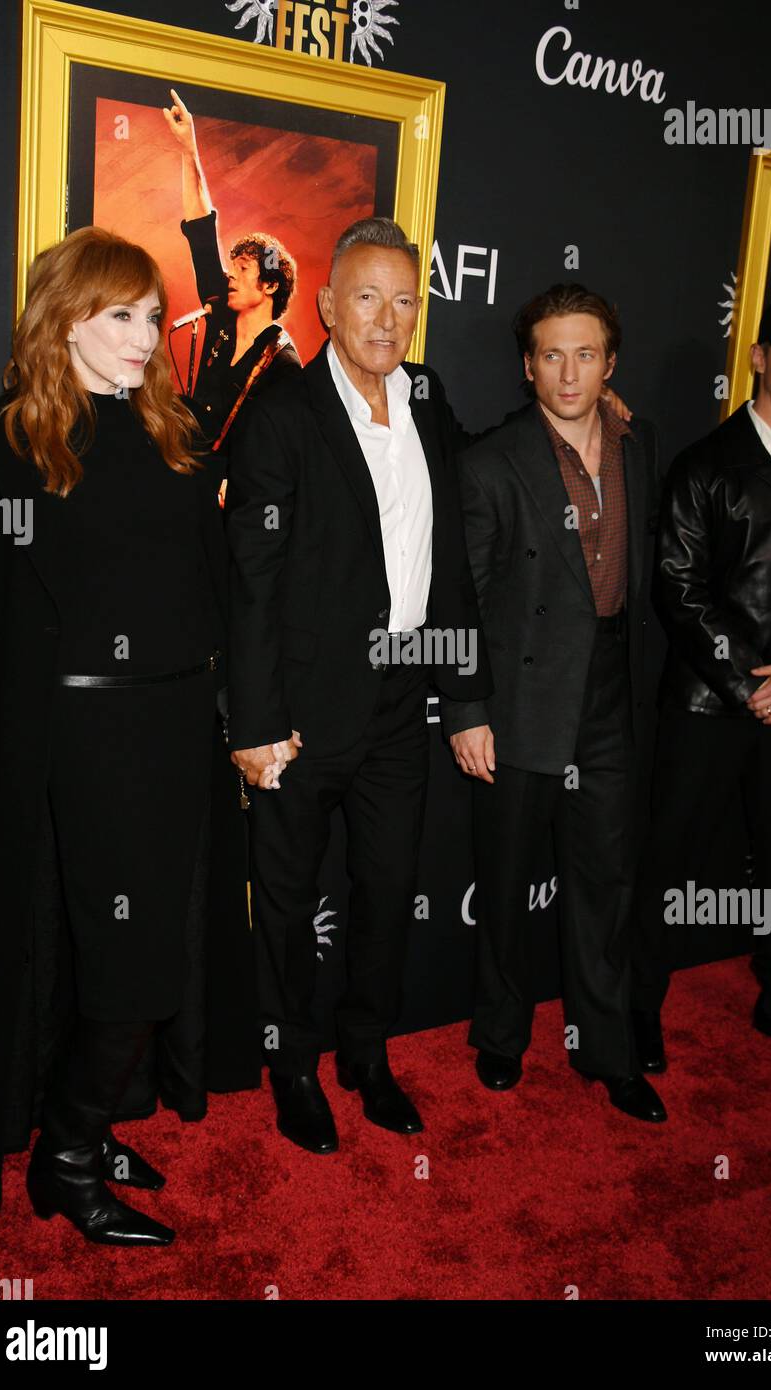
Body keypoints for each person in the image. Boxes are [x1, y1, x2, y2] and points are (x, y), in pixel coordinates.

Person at [0, 227, 229, 1244]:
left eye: (151, 316)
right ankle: (66, 1158)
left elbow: (213, 582)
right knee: (127, 956)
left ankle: (92, 1120)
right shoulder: (8, 432)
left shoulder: (176, 428)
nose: (143, 334)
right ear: (63, 317)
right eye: (120, 314)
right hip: (82, 729)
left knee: (140, 943)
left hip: (174, 722)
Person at [226, 217, 491, 1154]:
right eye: (368, 297)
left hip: (398, 701)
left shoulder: (428, 399)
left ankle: (366, 1054)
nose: (389, 318)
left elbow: (456, 545)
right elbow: (251, 583)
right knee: (289, 903)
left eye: (407, 299)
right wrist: (255, 723)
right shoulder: (281, 416)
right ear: (330, 305)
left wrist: (464, 695)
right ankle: (293, 1065)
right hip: (299, 712)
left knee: (388, 888)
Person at [439, 284, 666, 1121]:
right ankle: (501, 1038)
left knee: (604, 884)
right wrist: (466, 707)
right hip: (519, 694)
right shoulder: (492, 462)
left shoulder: (637, 449)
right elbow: (458, 597)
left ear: (610, 364)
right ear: (526, 366)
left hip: (610, 693)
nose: (568, 372)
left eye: (585, 354)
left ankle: (607, 1051)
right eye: (550, 354)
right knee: (504, 885)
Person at [630, 292, 771, 1073]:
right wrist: (746, 683)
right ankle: (640, 1007)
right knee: (669, 857)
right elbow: (679, 587)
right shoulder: (705, 464)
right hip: (707, 701)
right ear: (759, 356)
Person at [163, 87, 301, 451]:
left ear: (270, 286)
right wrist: (189, 149)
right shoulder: (222, 309)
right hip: (191, 464)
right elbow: (202, 232)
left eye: (242, 269)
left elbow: (283, 444)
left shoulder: (283, 362)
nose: (230, 275)